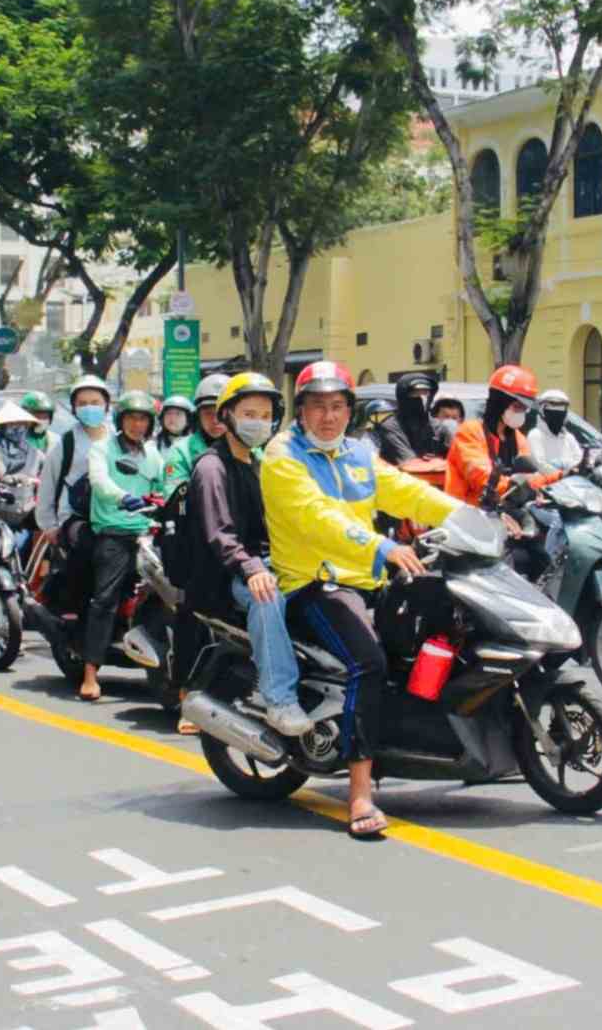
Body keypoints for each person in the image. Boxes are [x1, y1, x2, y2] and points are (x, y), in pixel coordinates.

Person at [261, 360, 458, 840]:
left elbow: (405, 491)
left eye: (337, 406)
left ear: (350, 410)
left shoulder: (357, 453)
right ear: (301, 411)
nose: (328, 417)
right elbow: (317, 518)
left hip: (366, 577)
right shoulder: (282, 456)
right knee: (368, 663)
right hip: (312, 583)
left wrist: (470, 516)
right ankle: (360, 792)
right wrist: (383, 547)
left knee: (443, 619)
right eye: (317, 407)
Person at [181, 372, 309, 737]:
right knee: (267, 595)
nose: (258, 421)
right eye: (249, 413)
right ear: (227, 417)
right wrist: (252, 569)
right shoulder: (211, 467)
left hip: (265, 564)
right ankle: (279, 698)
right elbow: (220, 534)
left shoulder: (259, 464)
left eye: (265, 414)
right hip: (226, 575)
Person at [79, 390, 166, 702]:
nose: (137, 424)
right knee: (104, 600)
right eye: (131, 418)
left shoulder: (153, 454)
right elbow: (100, 483)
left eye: (143, 419)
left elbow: (163, 484)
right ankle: (90, 673)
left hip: (148, 533)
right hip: (114, 534)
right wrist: (123, 497)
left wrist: (165, 499)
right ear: (120, 420)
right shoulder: (102, 449)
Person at [36, 374, 113, 614]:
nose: (90, 407)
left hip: (116, 516)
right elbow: (48, 484)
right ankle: (75, 618)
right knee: (87, 555)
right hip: (76, 518)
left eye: (95, 402)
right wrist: (49, 525)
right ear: (74, 408)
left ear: (106, 405)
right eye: (83, 403)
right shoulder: (67, 442)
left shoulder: (117, 437)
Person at [445, 365, 559, 505]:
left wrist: (562, 476)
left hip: (503, 513)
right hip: (466, 515)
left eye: (525, 408)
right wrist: (515, 487)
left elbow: (534, 475)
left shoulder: (516, 437)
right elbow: (482, 478)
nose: (521, 412)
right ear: (499, 402)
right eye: (518, 406)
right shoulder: (470, 432)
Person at [163, 374, 231, 496]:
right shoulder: (181, 452)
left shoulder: (250, 448)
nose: (216, 420)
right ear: (197, 417)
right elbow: (177, 501)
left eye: (221, 413)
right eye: (208, 413)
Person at [371, 372, 446, 462]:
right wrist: (435, 462)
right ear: (403, 396)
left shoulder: (436, 425)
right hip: (402, 474)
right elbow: (409, 460)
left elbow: (456, 455)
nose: (421, 398)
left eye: (425, 393)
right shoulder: (391, 426)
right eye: (416, 393)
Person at [528, 388, 584, 472]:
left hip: (571, 483)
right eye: (551, 411)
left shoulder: (568, 437)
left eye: (561, 411)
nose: (557, 416)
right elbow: (540, 465)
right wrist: (564, 472)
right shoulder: (535, 435)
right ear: (542, 412)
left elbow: (579, 460)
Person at [0, 401, 44, 479]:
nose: (16, 428)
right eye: (11, 424)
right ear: (2, 428)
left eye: (20, 424)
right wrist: (11, 478)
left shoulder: (34, 452)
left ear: (27, 426)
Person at [21, 391, 55, 455]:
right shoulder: (15, 440)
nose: (42, 419)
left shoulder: (55, 440)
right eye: (38, 415)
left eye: (46, 416)